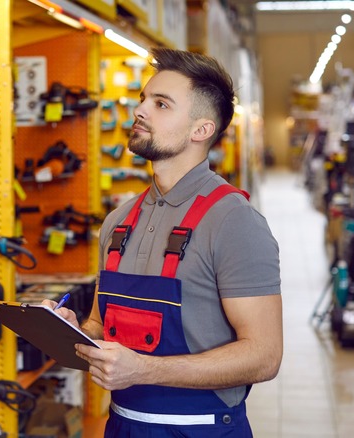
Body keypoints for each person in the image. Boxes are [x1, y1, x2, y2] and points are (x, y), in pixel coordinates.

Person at [43, 47, 283, 437]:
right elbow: (102, 329)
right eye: (142, 99)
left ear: (201, 130)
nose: (140, 111)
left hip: (202, 430)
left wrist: (146, 369)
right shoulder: (119, 222)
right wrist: (70, 331)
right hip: (122, 426)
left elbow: (264, 356)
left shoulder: (235, 222)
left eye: (161, 104)